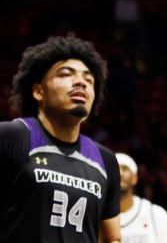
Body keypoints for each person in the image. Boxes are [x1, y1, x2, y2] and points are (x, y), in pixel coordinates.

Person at [0, 34, 121, 242]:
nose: (80, 82)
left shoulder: (105, 160)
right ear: (38, 91)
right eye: (66, 74)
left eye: (89, 79)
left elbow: (112, 238)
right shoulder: (11, 137)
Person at [116, 152, 167, 242]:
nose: (120, 173)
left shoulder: (156, 213)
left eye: (125, 169)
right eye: (115, 169)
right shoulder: (96, 214)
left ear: (135, 178)